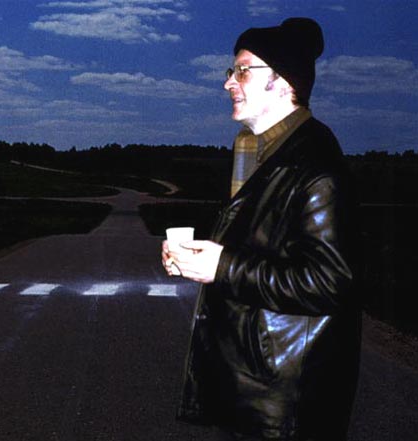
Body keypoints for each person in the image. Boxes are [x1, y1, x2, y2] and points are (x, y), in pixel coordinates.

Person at [162, 18, 361, 440]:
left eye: (241, 70)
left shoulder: (315, 167)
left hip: (285, 403)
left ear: (282, 81)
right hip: (251, 386)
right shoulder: (261, 152)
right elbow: (260, 247)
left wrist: (224, 268)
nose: (228, 83)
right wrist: (199, 260)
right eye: (230, 71)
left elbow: (329, 282)